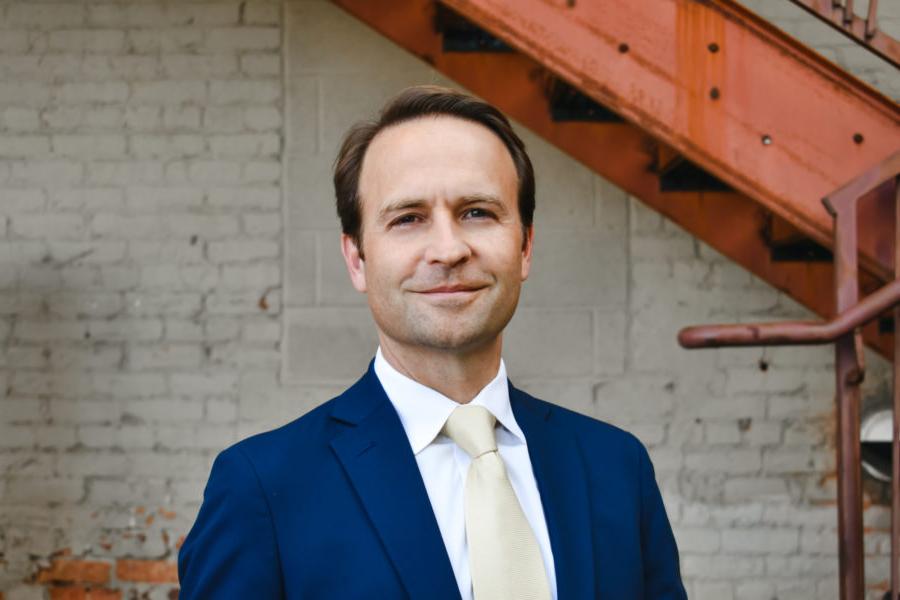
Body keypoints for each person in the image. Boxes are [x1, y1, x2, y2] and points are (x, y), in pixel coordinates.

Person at [177, 86, 687, 599]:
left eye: (477, 212)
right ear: (357, 258)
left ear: (525, 246)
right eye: (408, 219)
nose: (448, 250)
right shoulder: (263, 489)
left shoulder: (617, 468)